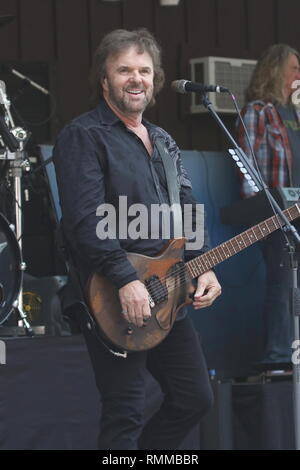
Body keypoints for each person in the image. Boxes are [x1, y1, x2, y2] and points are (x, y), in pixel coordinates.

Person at [53, 28, 221, 450]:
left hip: (168, 291)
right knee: (124, 408)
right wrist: (125, 278)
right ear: (105, 79)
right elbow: (84, 219)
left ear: (155, 79)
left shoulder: (163, 140)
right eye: (124, 69)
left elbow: (187, 206)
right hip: (112, 292)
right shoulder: (84, 135)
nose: (136, 78)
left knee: (194, 398)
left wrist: (206, 265)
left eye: (144, 70)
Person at [236, 43, 300, 363]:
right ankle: (278, 357)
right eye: (294, 67)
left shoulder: (297, 114)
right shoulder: (258, 112)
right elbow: (248, 170)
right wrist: (264, 211)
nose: (299, 74)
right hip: (276, 215)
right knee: (284, 283)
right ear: (275, 71)